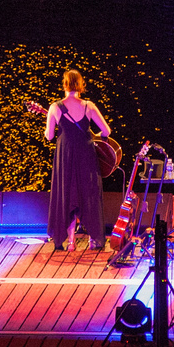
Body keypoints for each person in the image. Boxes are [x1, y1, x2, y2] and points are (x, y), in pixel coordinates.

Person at [44, 69, 112, 252]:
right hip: (86, 154)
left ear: (64, 84)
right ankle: (93, 239)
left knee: (66, 193)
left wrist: (47, 127)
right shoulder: (88, 106)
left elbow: (49, 136)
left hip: (65, 155)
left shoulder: (54, 107)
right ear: (81, 85)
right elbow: (106, 132)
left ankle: (70, 241)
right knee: (88, 193)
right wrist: (93, 137)